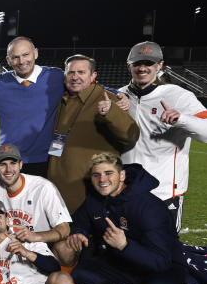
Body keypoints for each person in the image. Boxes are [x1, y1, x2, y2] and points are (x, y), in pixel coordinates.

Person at [68, 154, 185, 284]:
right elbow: (80, 219)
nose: (102, 180)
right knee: (79, 274)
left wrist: (125, 245)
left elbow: (162, 261)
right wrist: (78, 231)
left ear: (122, 175)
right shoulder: (96, 199)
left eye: (108, 173)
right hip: (120, 262)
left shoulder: (149, 207)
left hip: (158, 266)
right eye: (96, 175)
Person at [118, 41, 207, 231]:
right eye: (137, 63)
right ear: (129, 65)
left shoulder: (178, 96)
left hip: (163, 192)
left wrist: (182, 119)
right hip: (124, 190)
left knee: (164, 253)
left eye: (149, 63)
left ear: (160, 65)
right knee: (124, 250)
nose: (142, 68)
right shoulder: (119, 96)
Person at [47, 54, 139, 212]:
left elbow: (131, 136)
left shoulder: (107, 100)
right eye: (71, 73)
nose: (75, 77)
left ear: (93, 75)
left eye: (81, 72)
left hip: (87, 192)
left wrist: (112, 112)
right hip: (58, 190)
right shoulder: (64, 99)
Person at [0, 144, 77, 267]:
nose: (8, 169)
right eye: (2, 164)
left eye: (13, 163)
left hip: (42, 241)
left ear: (21, 164)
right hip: (11, 243)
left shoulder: (43, 187)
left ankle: (60, 278)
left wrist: (35, 236)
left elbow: (64, 229)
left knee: (65, 250)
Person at [0, 37, 66, 177]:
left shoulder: (56, 77)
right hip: (10, 158)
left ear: (35, 53)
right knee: (10, 198)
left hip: (49, 157)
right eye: (15, 57)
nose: (22, 61)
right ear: (8, 60)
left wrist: (110, 101)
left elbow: (87, 87)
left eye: (26, 54)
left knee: (48, 198)